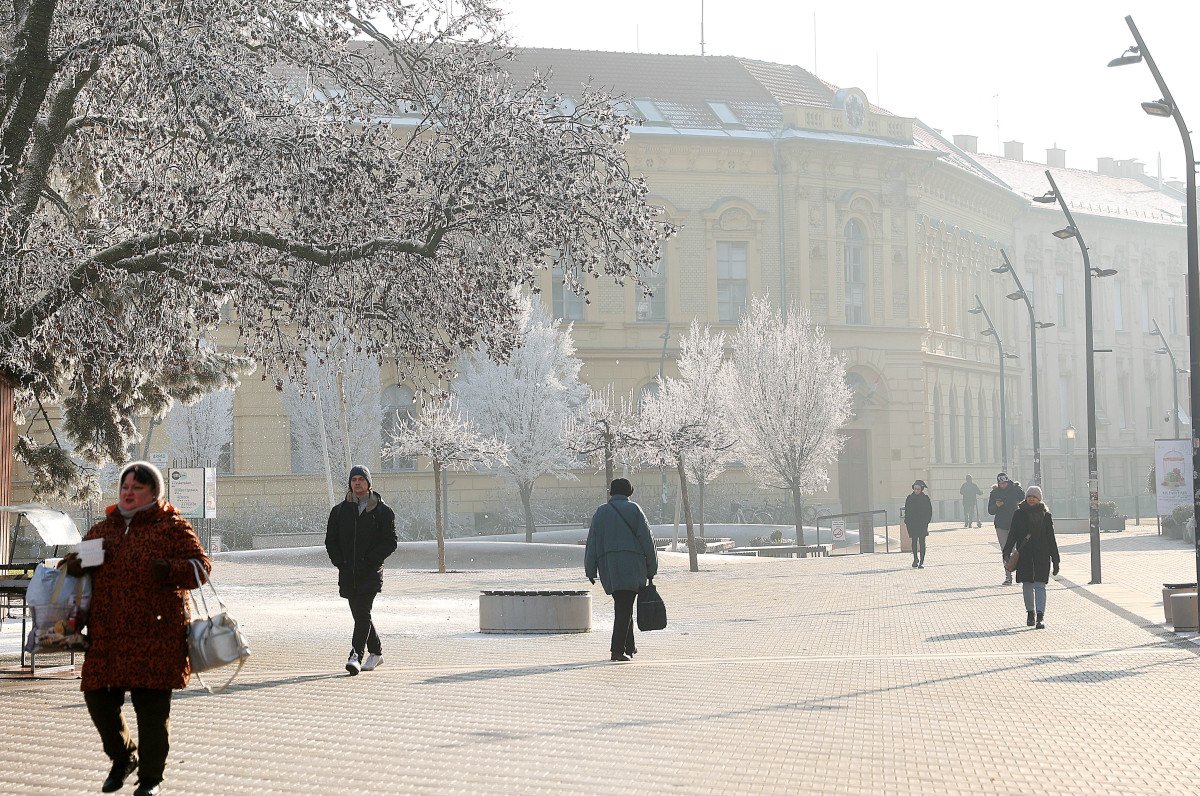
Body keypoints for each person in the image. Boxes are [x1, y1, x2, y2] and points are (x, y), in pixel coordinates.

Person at [58, 461, 211, 796]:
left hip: (157, 636)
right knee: (97, 699)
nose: (128, 493)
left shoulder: (172, 526)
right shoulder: (104, 530)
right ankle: (124, 757)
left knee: (152, 716)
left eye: (136, 487)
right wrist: (73, 564)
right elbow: (68, 565)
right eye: (125, 487)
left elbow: (202, 567)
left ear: (153, 493)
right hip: (107, 636)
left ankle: (151, 779)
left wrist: (170, 570)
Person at [325, 465, 397, 675]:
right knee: (360, 615)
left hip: (370, 572)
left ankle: (355, 655)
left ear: (368, 483)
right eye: (354, 479)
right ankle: (376, 652)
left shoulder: (383, 511)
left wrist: (371, 559)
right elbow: (331, 541)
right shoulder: (339, 511)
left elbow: (390, 541)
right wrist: (341, 562)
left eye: (361, 479)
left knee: (362, 612)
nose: (357, 483)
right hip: (348, 573)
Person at [584, 478, 659, 662]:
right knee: (624, 607)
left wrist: (590, 569)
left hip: (609, 567)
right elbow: (647, 541)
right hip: (633, 566)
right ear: (629, 492)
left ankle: (629, 646)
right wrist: (652, 568)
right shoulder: (634, 510)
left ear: (611, 492)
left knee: (623, 605)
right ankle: (617, 650)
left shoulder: (601, 512)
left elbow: (592, 542)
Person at [1002, 485, 1060, 629]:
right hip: (1025, 556)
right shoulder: (1019, 514)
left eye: (1034, 497)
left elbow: (1051, 538)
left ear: (1039, 499)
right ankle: (1030, 613)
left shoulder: (1046, 516)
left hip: (1041, 555)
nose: (1031, 499)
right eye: (1029, 496)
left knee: (1040, 585)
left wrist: (1056, 559)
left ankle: (1040, 616)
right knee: (1027, 586)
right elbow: (1013, 534)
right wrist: (1006, 551)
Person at [988, 472, 1025, 585]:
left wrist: (1017, 487)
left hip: (1015, 524)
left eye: (1004, 483)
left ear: (1008, 482)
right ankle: (1008, 577)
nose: (1003, 485)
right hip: (1001, 525)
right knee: (1006, 550)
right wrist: (997, 506)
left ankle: (1020, 573)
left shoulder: (1014, 490)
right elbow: (990, 510)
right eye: (1001, 483)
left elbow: (1022, 497)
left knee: (1016, 549)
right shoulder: (995, 493)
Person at [903, 480, 933, 568]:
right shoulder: (910, 498)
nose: (916, 491)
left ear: (921, 489)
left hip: (922, 524)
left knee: (922, 542)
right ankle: (915, 559)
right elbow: (907, 510)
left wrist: (926, 521)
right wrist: (907, 521)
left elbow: (929, 511)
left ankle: (922, 561)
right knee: (914, 541)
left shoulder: (925, 498)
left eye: (918, 489)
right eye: (915, 489)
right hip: (912, 524)